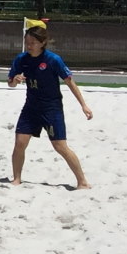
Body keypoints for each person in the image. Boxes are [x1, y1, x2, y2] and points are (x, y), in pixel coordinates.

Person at [8, 23, 92, 189]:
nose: (29, 46)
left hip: (51, 108)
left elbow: (70, 82)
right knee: (20, 143)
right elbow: (10, 83)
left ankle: (82, 181)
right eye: (27, 42)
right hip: (31, 107)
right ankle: (17, 178)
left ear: (42, 42)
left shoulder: (53, 60)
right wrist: (15, 81)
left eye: (32, 43)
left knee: (60, 146)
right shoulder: (21, 59)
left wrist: (84, 105)